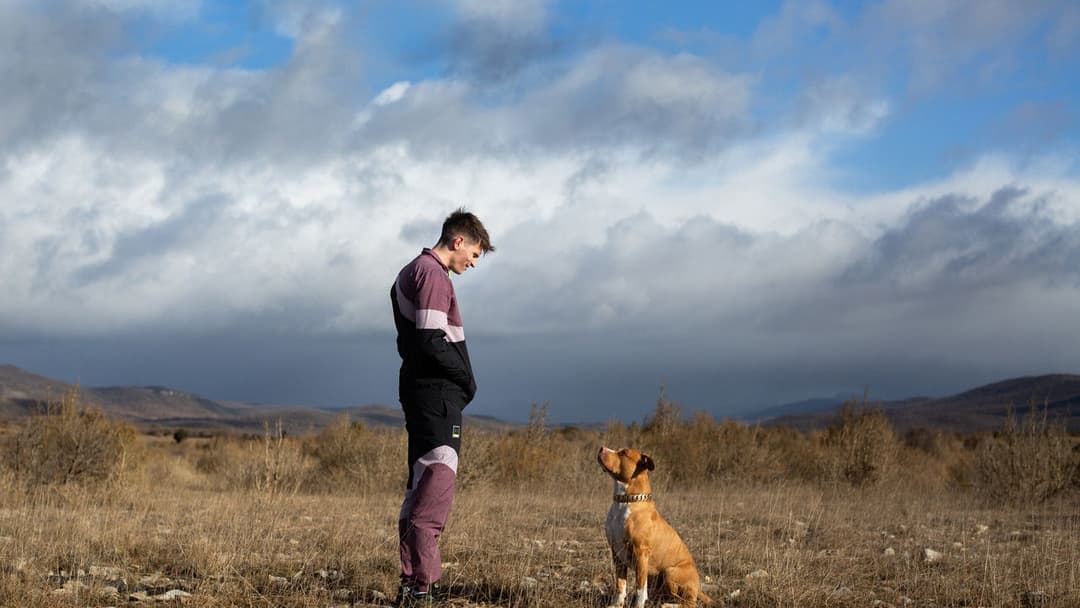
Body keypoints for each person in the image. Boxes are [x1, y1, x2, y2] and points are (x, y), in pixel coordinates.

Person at [389, 208, 494, 606]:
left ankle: (413, 582)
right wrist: (467, 380)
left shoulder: (411, 272)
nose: (473, 263)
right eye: (475, 254)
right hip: (435, 397)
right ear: (458, 241)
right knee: (436, 484)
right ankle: (422, 587)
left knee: (421, 485)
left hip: (423, 394)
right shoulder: (431, 274)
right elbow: (431, 340)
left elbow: (413, 344)